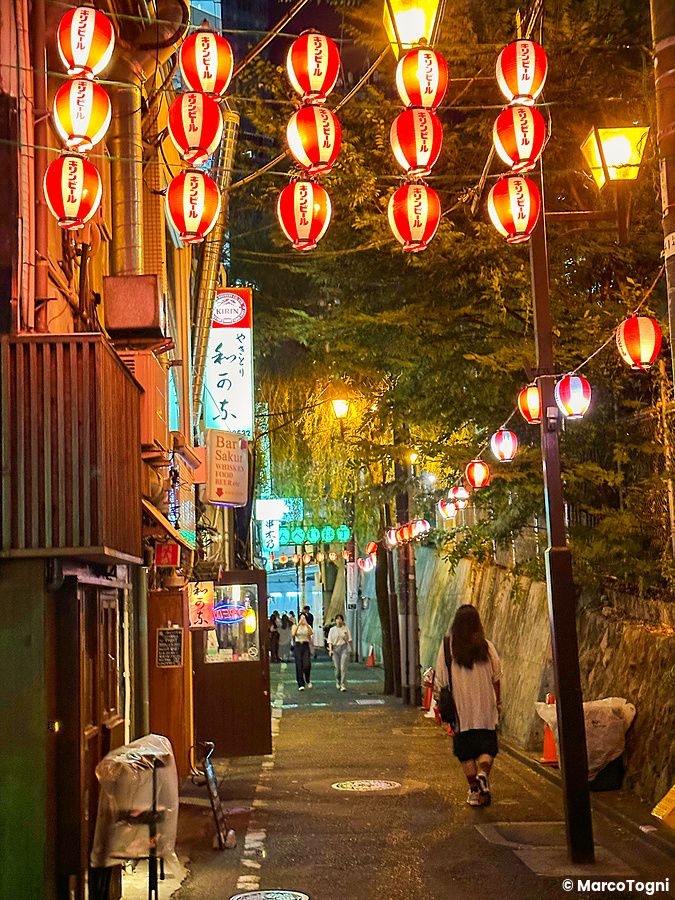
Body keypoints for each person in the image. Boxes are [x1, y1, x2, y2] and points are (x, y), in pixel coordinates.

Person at [434, 604, 502, 807]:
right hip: (485, 711)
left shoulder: (448, 647)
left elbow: (441, 681)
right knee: (487, 748)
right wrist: (497, 702)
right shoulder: (487, 647)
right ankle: (483, 775)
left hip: (461, 712)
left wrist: (440, 704)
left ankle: (475, 790)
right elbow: (496, 678)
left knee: (465, 752)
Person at [327, 614, 352, 691]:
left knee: (343, 667)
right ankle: (338, 680)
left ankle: (343, 684)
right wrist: (330, 650)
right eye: (337, 619)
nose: (339, 620)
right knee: (337, 668)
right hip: (335, 649)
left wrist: (351, 648)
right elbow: (330, 641)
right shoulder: (332, 630)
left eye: (340, 619)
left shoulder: (346, 628)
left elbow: (349, 639)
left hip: (344, 648)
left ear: (342, 620)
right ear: (335, 621)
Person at [292, 613, 314, 690]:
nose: (302, 620)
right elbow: (293, 634)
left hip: (305, 645)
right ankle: (300, 684)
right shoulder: (295, 626)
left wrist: (307, 624)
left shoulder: (308, 626)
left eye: (304, 618)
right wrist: (298, 624)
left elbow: (311, 633)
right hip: (298, 645)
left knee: (307, 664)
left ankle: (307, 679)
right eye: (301, 618)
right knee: (299, 665)